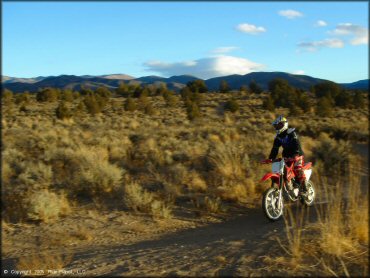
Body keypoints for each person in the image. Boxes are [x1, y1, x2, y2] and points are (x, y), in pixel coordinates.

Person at [268, 115, 307, 194]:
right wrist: (270, 158)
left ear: (284, 124)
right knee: (282, 169)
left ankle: (304, 187)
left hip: (297, 155)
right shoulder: (278, 137)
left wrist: (296, 154)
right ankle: (288, 184)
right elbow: (275, 149)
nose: (278, 127)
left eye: (279, 125)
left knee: (297, 168)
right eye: (276, 126)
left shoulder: (291, 133)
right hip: (286, 156)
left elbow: (297, 143)